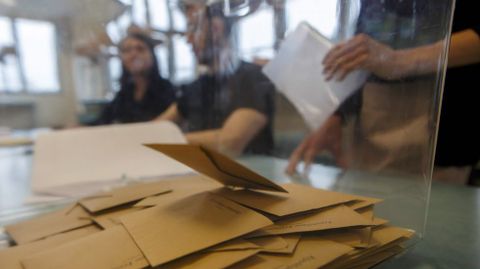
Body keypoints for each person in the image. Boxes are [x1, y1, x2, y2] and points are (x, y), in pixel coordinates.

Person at [286, 0, 480, 183]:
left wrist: (397, 61)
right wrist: (337, 116)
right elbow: (363, 54)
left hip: (442, 138)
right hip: (371, 129)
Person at [156, 0, 275, 157]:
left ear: (216, 29)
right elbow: (154, 128)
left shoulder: (252, 76)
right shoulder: (197, 86)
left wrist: (163, 141)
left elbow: (229, 142)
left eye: (193, 29)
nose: (187, 39)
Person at [92, 32, 175, 125]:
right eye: (127, 50)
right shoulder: (124, 95)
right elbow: (102, 121)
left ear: (152, 55)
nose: (134, 54)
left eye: (140, 49)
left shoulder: (167, 91)